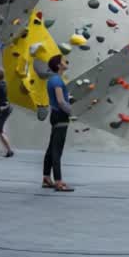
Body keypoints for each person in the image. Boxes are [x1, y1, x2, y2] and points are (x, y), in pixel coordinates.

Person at [42, 55, 73, 192]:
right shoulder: (56, 80)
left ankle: (47, 178)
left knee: (51, 148)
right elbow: (60, 101)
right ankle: (58, 181)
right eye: (64, 60)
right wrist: (72, 111)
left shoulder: (54, 80)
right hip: (60, 116)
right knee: (57, 149)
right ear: (58, 65)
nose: (66, 62)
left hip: (56, 115)